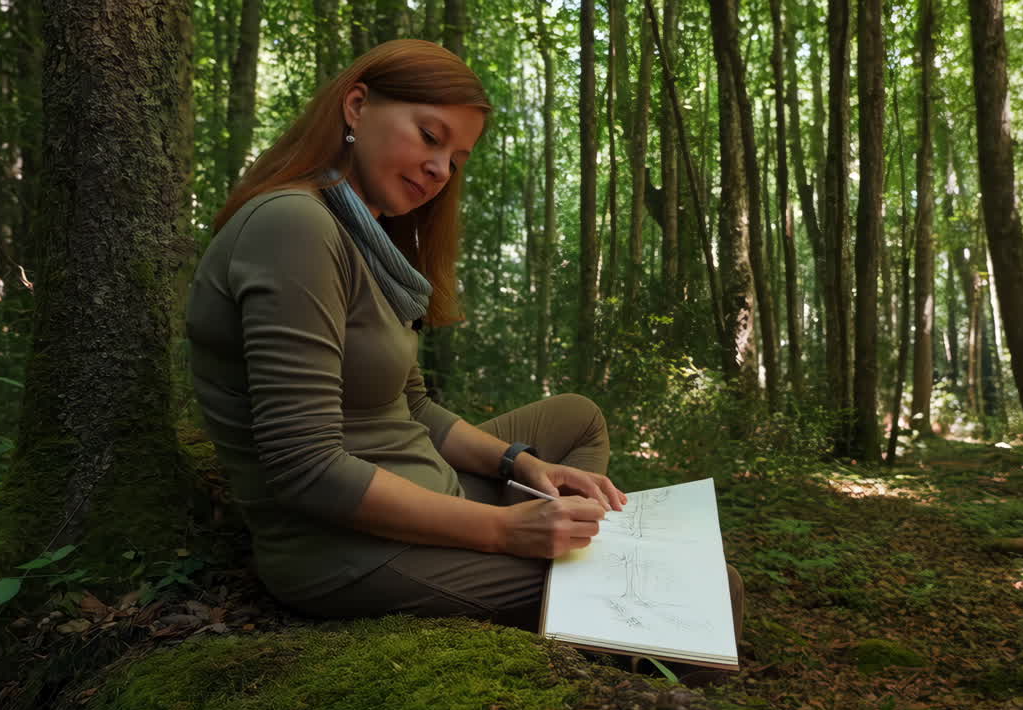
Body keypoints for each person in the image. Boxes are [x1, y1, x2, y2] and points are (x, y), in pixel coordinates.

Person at [186, 39, 741, 650]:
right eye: (430, 136)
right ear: (356, 106)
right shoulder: (293, 225)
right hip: (346, 549)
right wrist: (506, 531)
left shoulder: (369, 241)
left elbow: (415, 410)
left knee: (576, 422)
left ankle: (574, 592)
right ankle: (581, 638)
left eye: (456, 158)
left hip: (427, 490)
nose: (440, 170)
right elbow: (306, 470)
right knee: (709, 594)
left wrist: (520, 463)